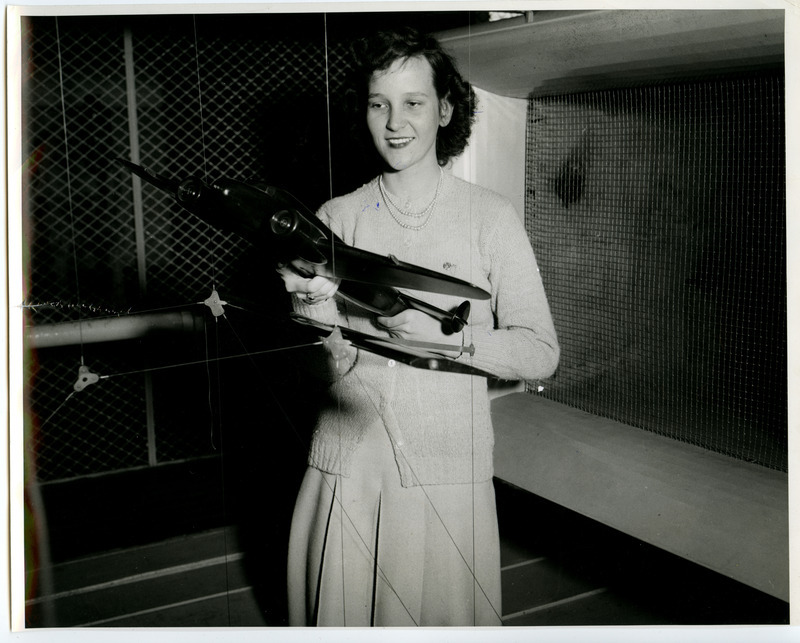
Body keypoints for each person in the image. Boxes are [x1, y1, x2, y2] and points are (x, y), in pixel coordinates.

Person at [278, 26, 559, 627]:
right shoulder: (336, 218)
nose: (395, 121)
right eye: (379, 103)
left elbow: (541, 354)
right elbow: (322, 373)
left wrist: (453, 340)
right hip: (348, 470)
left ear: (446, 109)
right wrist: (312, 313)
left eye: (414, 102)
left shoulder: (490, 218)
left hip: (448, 473)